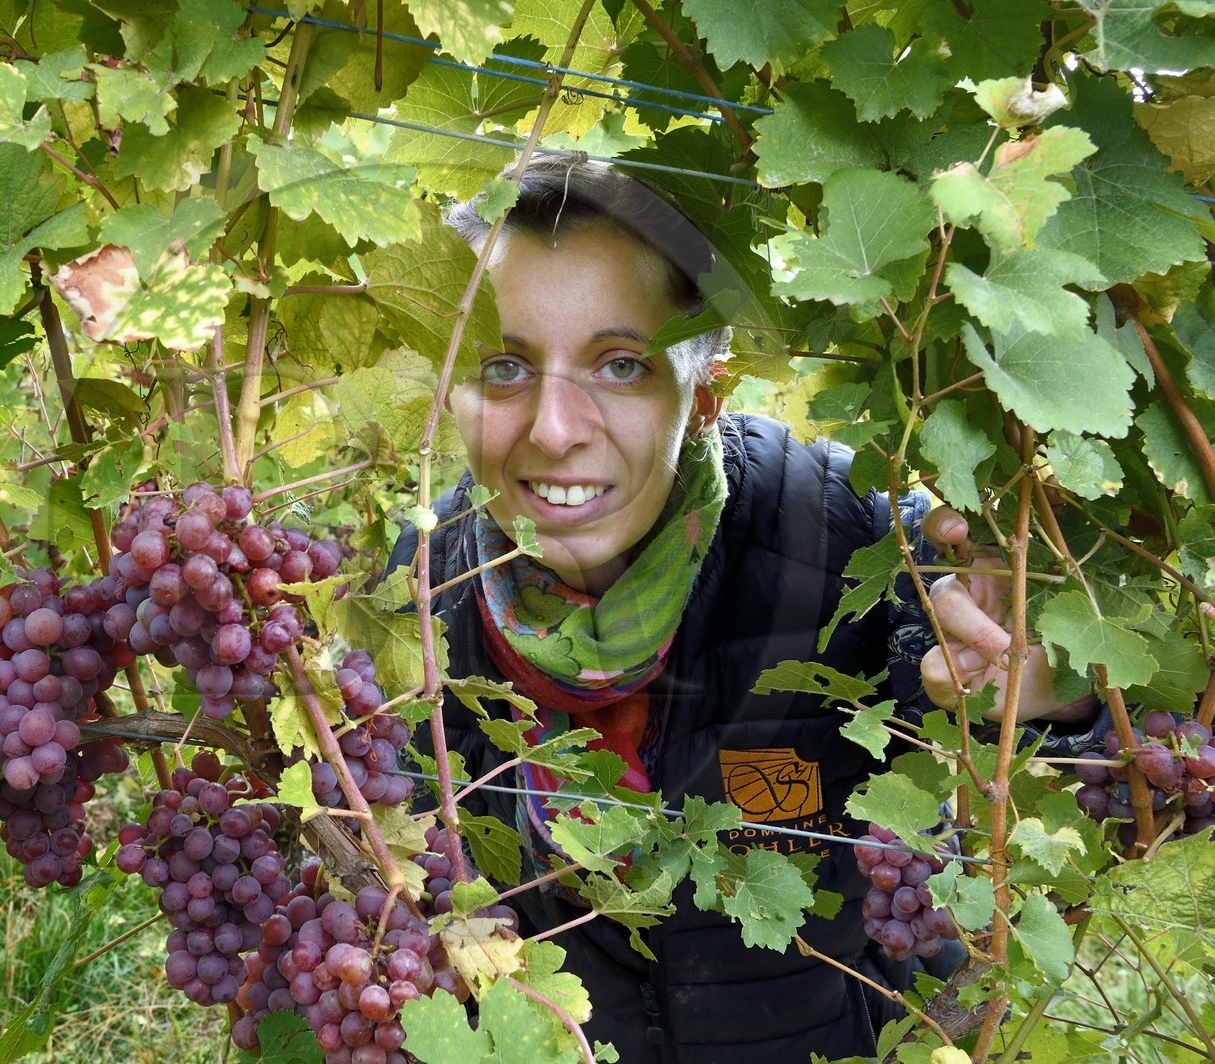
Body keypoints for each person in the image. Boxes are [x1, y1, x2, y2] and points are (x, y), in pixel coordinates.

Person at [388, 156, 1103, 1063]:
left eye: (621, 365)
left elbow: (1128, 767)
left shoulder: (849, 532)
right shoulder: (420, 582)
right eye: (502, 366)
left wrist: (1068, 700)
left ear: (706, 394)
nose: (554, 430)